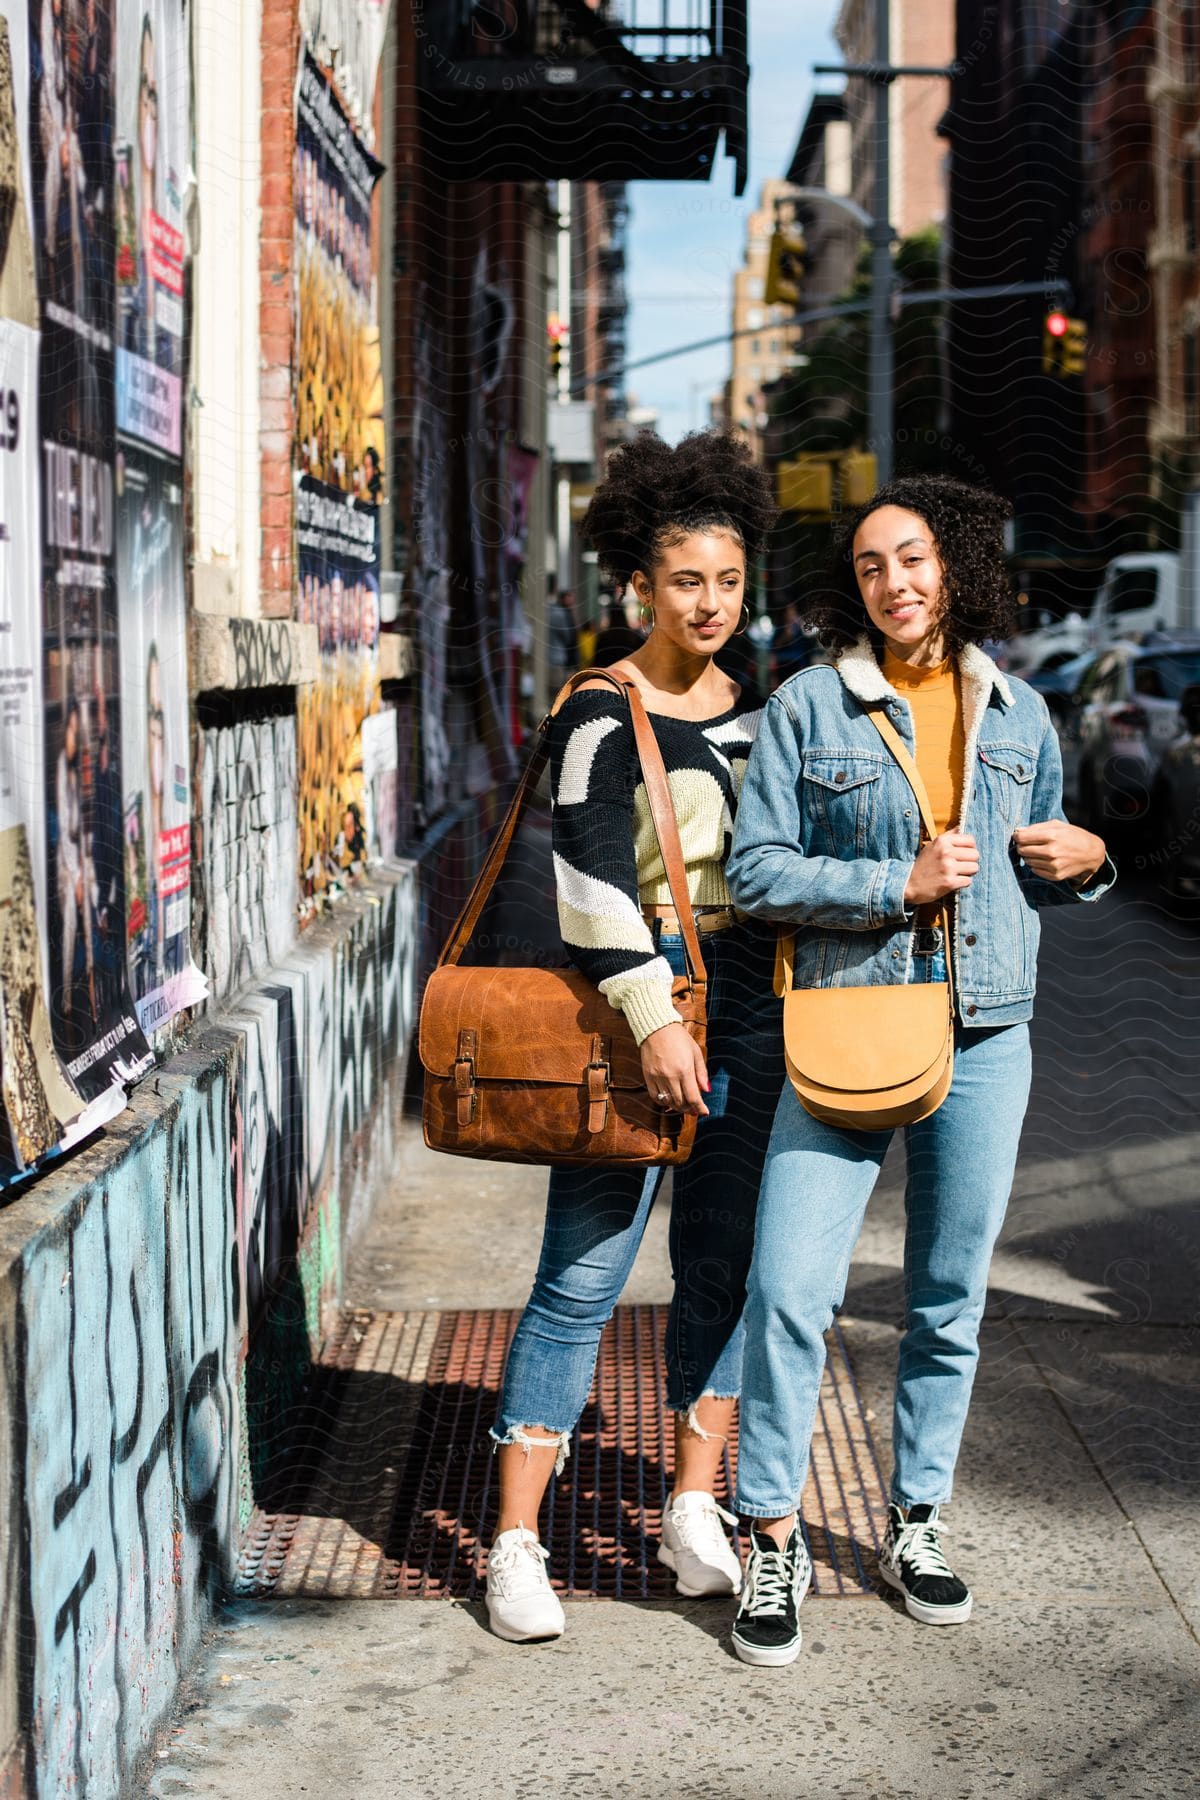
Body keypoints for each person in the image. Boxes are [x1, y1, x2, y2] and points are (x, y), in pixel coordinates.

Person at [723, 474, 1115, 1667]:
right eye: (870, 568)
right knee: (789, 1289)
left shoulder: (1023, 714)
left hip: (990, 1031)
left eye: (912, 558)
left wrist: (1090, 858)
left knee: (950, 1300)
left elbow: (1044, 859)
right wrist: (891, 886)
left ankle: (915, 1520)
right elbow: (754, 874)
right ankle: (774, 1534)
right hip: (845, 1019)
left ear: (955, 564)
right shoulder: (808, 707)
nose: (893, 583)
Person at [485, 430, 784, 1643]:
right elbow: (589, 881)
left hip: (755, 1016)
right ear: (640, 588)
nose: (709, 603)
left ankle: (692, 1510)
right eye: (685, 582)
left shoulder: (771, 701)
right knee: (582, 1279)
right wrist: (656, 1014)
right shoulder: (603, 712)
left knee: (727, 1269)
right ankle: (514, 1544)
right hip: (632, 1019)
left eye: (726, 579)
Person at [590, 595, 642, 667]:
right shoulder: (633, 637)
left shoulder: (604, 638)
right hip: (629, 673)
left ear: (610, 617)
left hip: (609, 674)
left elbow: (597, 662)